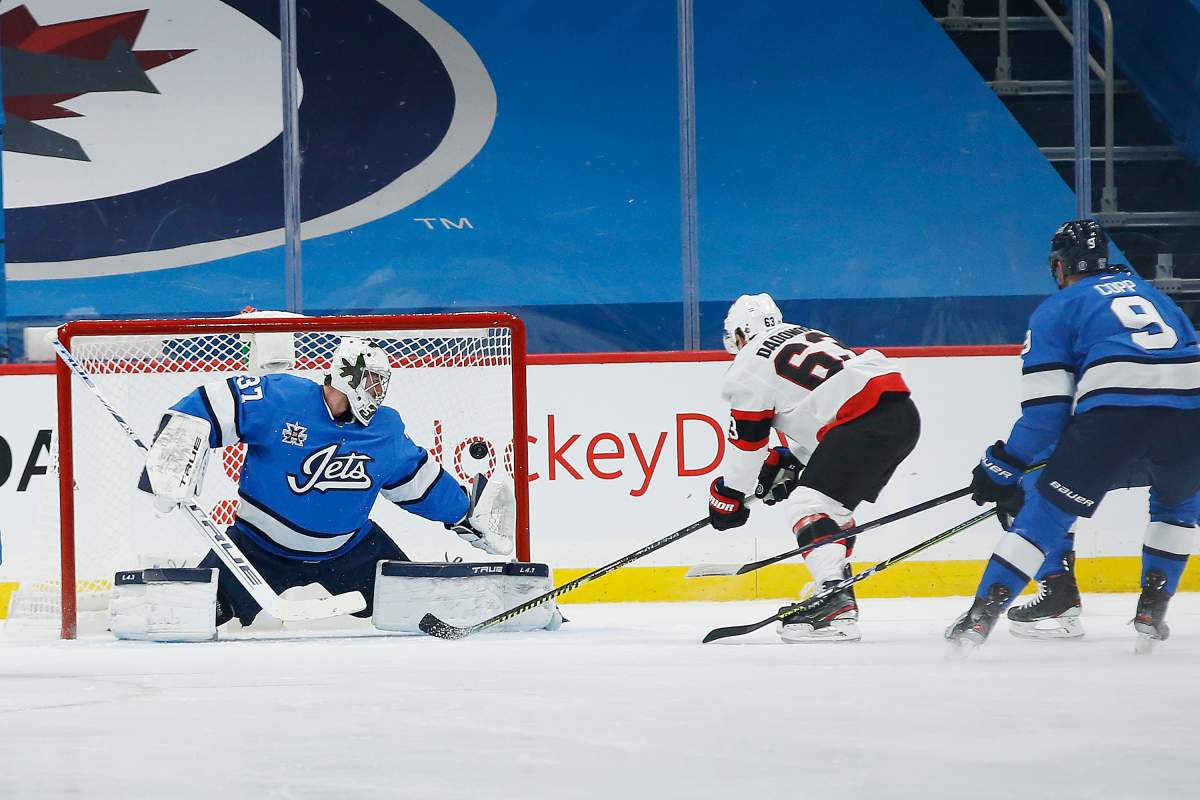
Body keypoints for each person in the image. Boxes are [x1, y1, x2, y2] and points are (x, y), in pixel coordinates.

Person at [138, 336, 512, 631]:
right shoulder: (280, 398)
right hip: (256, 548)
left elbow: (418, 482)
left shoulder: (384, 429)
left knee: (416, 609)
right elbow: (210, 404)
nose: (378, 392)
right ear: (348, 376)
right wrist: (176, 450)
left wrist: (464, 513)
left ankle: (499, 605)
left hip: (350, 550)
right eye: (372, 381)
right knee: (196, 613)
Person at [946, 220, 1200, 654]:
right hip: (1191, 414)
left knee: (1044, 512)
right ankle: (1152, 609)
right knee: (1178, 503)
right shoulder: (1155, 296)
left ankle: (980, 618)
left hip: (1116, 418)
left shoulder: (1058, 309)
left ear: (1060, 266)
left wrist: (1003, 465)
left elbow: (1046, 416)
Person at [707, 294, 921, 642]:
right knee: (830, 509)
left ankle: (833, 598)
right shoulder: (801, 333)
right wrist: (793, 459)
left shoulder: (748, 365)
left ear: (742, 334)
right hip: (900, 416)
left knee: (808, 506)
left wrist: (729, 494)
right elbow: (823, 402)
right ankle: (834, 590)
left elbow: (748, 445)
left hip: (861, 423)